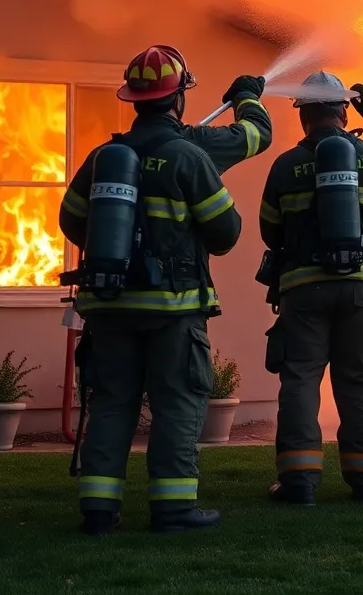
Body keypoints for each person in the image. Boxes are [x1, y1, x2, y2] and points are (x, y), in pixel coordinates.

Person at [59, 44, 252, 536]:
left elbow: (71, 221)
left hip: (109, 306)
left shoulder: (103, 158)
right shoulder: (188, 157)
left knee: (111, 401)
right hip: (174, 309)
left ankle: (98, 510)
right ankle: (173, 508)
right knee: (177, 401)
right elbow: (225, 234)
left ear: (134, 99)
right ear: (178, 98)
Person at [257, 71, 363, 506]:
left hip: (303, 289)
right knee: (358, 379)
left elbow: (269, 229)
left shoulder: (285, 165)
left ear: (303, 116)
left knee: (300, 379)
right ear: (343, 112)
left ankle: (298, 481)